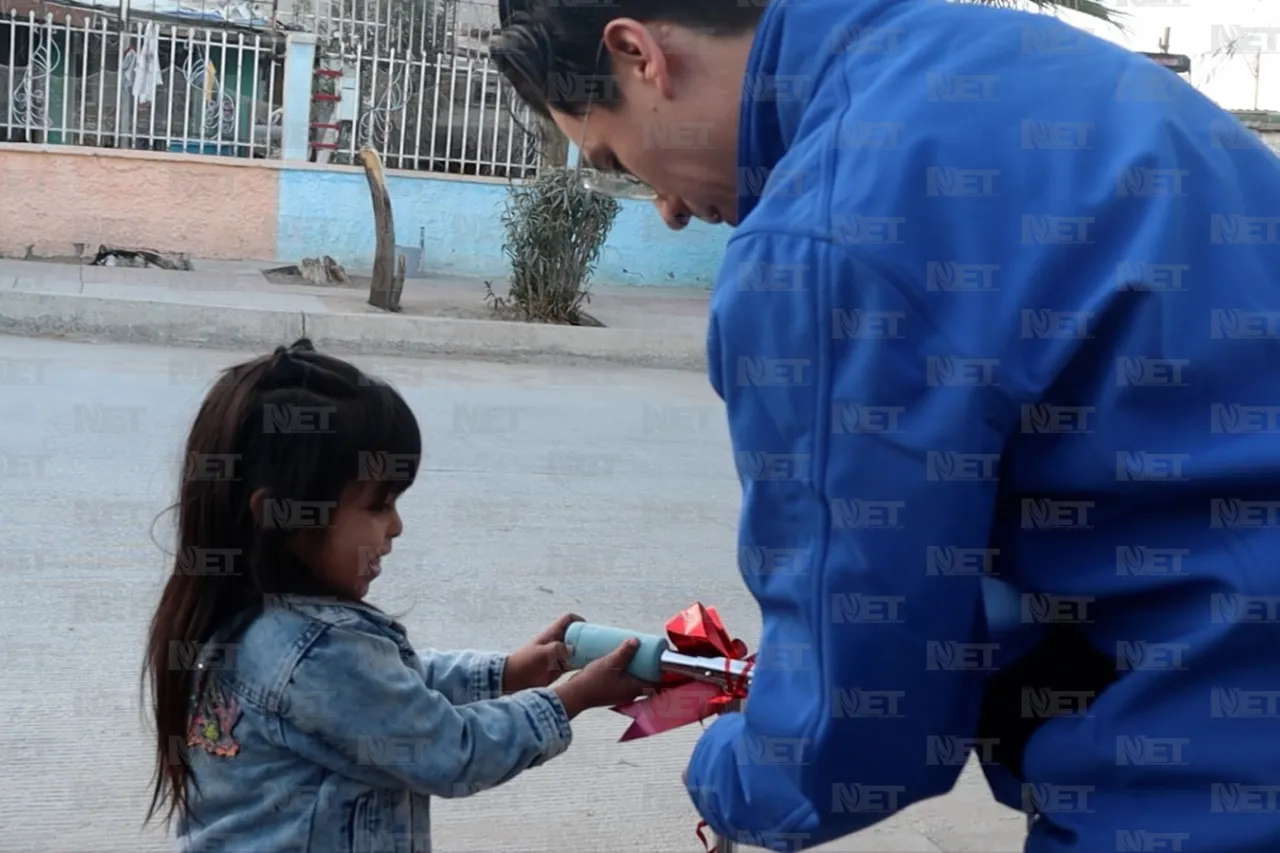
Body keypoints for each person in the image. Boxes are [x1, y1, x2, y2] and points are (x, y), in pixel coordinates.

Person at [490, 0, 1280, 851]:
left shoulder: (823, 237)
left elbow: (858, 715)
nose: (666, 209)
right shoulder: (1024, 59)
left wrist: (727, 773)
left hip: (1209, 769)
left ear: (638, 56)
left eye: (619, 158)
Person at [142, 338, 647, 851]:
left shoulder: (241, 617)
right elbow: (453, 752)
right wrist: (571, 699)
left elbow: (391, 691)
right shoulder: (318, 652)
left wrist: (508, 672)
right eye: (379, 505)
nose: (396, 526)